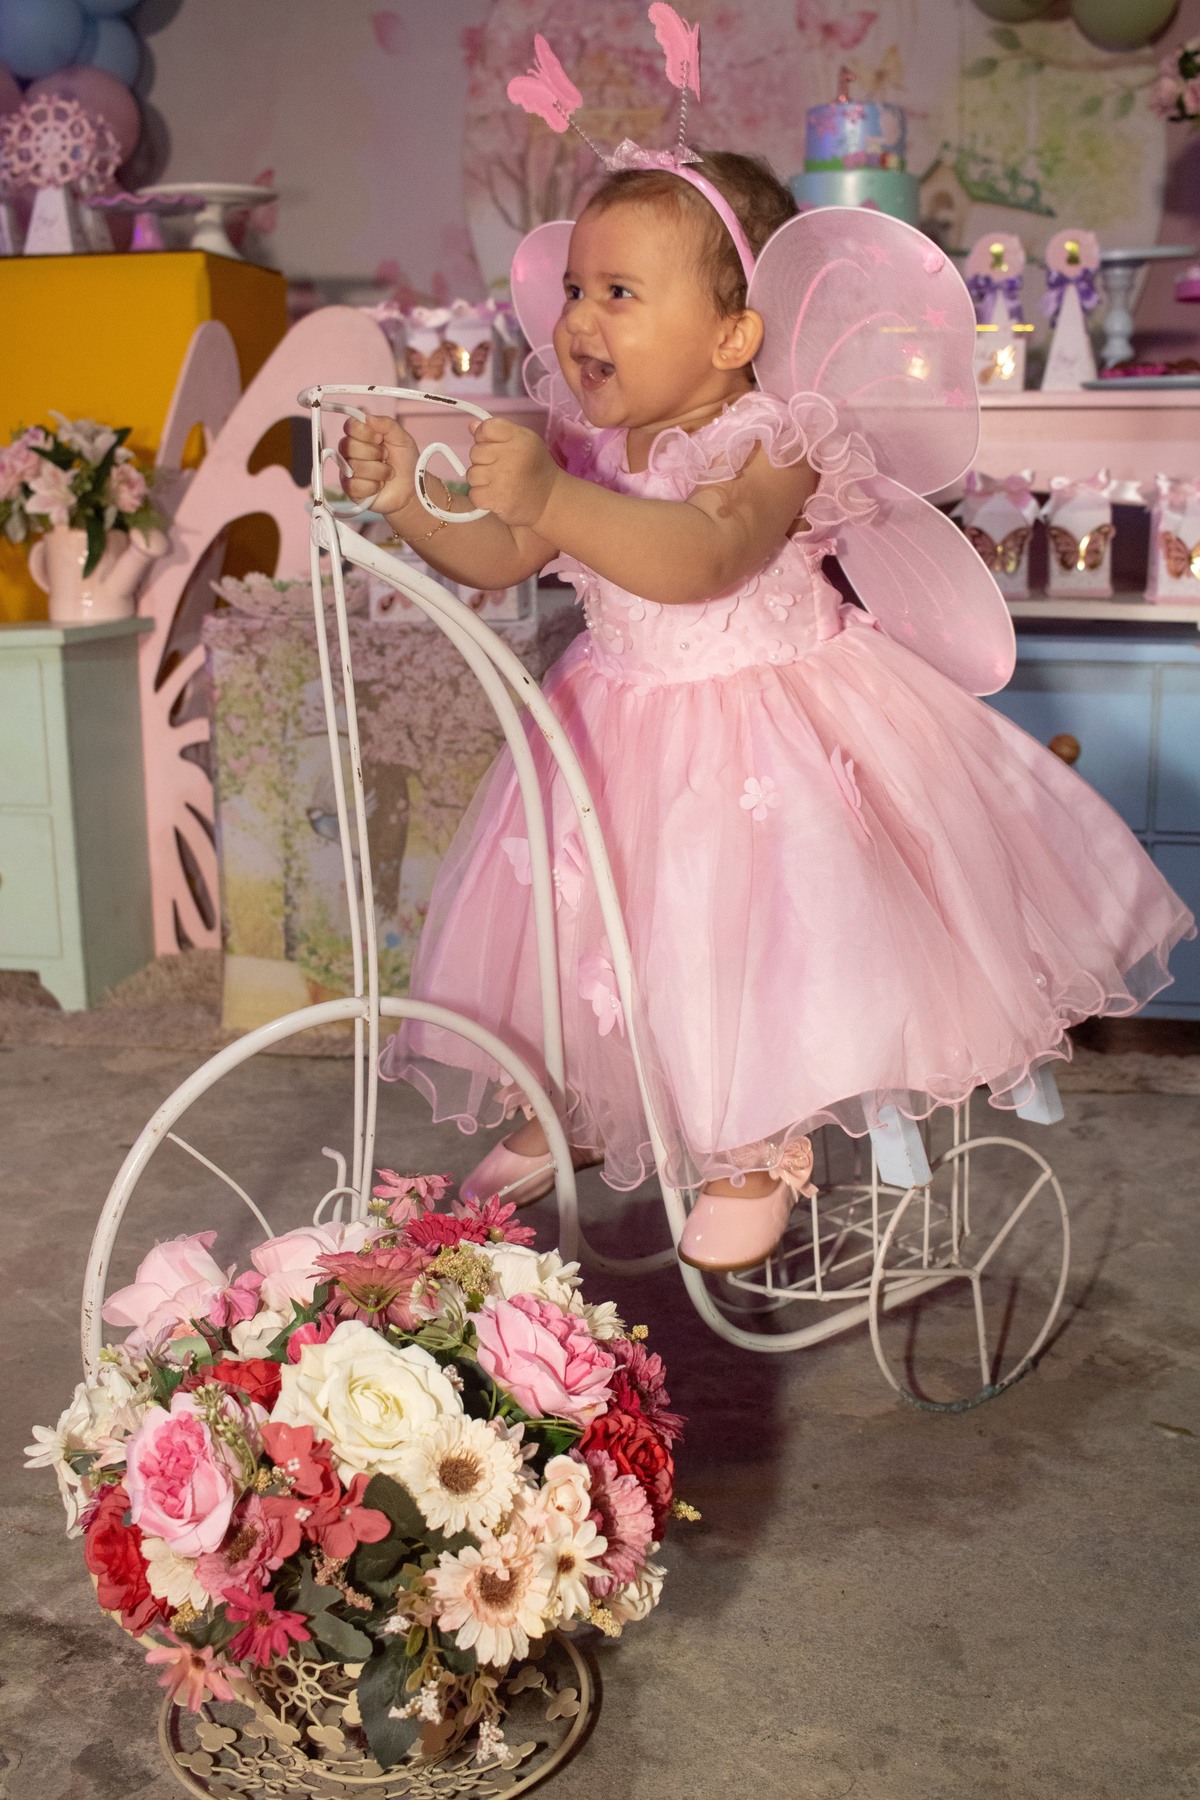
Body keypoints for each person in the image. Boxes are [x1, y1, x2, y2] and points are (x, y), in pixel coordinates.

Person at [340, 18, 1193, 1275]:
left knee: (757, 941)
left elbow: (703, 553)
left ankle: (753, 1148)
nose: (581, 319)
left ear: (736, 335)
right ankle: (568, 1101)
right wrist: (412, 502)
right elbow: (500, 556)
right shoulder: (582, 444)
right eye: (577, 287)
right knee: (591, 932)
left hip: (771, 732)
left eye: (621, 293)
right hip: (613, 730)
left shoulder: (776, 442)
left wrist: (557, 504)